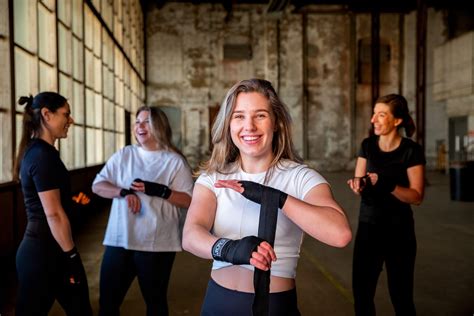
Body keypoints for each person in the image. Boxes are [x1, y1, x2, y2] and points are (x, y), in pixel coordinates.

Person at [182, 78, 352, 315]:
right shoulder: (214, 178)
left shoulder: (300, 178)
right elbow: (190, 236)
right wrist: (230, 249)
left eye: (260, 115)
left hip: (274, 307)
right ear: (228, 125)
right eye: (239, 116)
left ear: (276, 123)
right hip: (217, 303)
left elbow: (340, 234)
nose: (249, 126)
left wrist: (275, 198)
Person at [92, 105, 194, 316]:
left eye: (147, 121)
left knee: (155, 304)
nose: (140, 126)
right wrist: (123, 192)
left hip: (157, 244)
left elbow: (189, 201)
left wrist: (161, 191)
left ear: (160, 126)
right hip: (120, 240)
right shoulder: (125, 155)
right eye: (138, 122)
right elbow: (98, 185)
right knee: (108, 303)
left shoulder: (174, 161)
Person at [14, 92, 92, 316]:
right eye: (66, 114)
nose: (71, 120)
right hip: (43, 255)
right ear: (47, 115)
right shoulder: (42, 156)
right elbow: (53, 215)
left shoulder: (42, 152)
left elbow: (54, 206)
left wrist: (73, 204)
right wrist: (72, 256)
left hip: (48, 251)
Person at [347, 94, 425, 316]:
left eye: (381, 115)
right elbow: (359, 181)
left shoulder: (411, 150)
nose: (374, 120)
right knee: (362, 297)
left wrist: (388, 185)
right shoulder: (368, 146)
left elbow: (417, 196)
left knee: (401, 298)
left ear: (397, 121)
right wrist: (357, 185)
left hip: (399, 232)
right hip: (368, 229)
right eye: (374, 114)